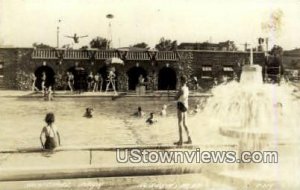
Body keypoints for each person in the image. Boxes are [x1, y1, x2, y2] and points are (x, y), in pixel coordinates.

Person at [174, 76, 192, 145]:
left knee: (180, 123)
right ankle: (189, 139)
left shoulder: (181, 89)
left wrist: (175, 96)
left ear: (181, 81)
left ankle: (181, 141)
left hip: (180, 105)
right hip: (185, 105)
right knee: (185, 124)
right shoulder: (187, 88)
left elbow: (175, 98)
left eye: (180, 81)